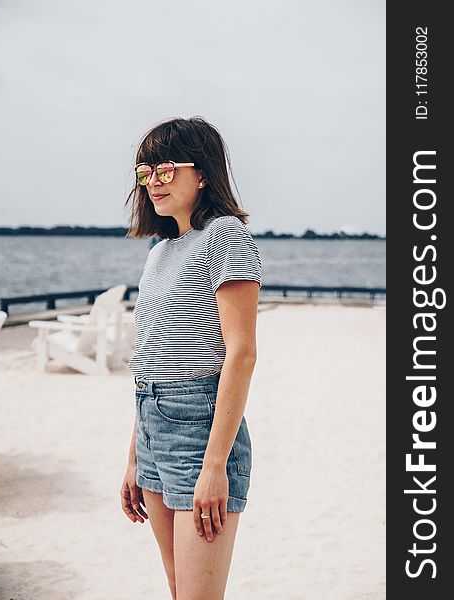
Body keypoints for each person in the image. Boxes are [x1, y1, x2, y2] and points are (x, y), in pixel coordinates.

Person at [121, 116, 262, 600]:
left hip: (201, 426)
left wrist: (215, 464)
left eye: (165, 169)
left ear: (202, 172)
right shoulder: (160, 250)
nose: (153, 183)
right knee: (180, 589)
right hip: (152, 422)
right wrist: (134, 457)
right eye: (145, 173)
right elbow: (152, 358)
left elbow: (241, 355)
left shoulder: (226, 236)